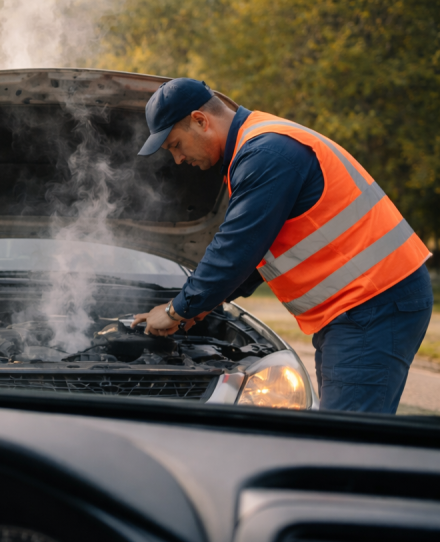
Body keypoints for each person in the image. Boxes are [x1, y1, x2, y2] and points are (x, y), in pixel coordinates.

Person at [131, 78, 433, 413]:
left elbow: (236, 250)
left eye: (175, 144)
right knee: (352, 433)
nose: (177, 159)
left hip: (373, 301)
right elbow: (257, 256)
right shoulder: (260, 145)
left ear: (200, 121)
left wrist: (177, 310)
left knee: (347, 442)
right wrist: (197, 308)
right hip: (363, 302)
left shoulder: (267, 152)